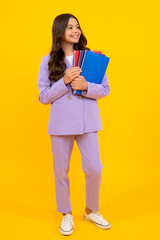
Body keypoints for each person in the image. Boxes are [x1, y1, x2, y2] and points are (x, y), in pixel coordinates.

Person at [38, 13, 111, 236]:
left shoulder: (92, 58)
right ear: (60, 31)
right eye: (70, 27)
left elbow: (106, 89)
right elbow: (43, 96)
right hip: (61, 123)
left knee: (94, 168)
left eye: (77, 27)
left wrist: (86, 85)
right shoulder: (48, 60)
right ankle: (66, 213)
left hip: (88, 120)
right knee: (61, 170)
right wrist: (65, 81)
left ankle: (90, 210)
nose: (75, 30)